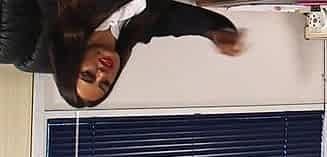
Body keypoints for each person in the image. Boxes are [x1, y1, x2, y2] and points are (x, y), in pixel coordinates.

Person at [0, 0, 244, 108]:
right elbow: (173, 20)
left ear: (72, 62)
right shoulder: (133, 31)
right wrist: (216, 31)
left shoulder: (67, 11)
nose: (102, 73)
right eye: (105, 83)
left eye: (88, 75)